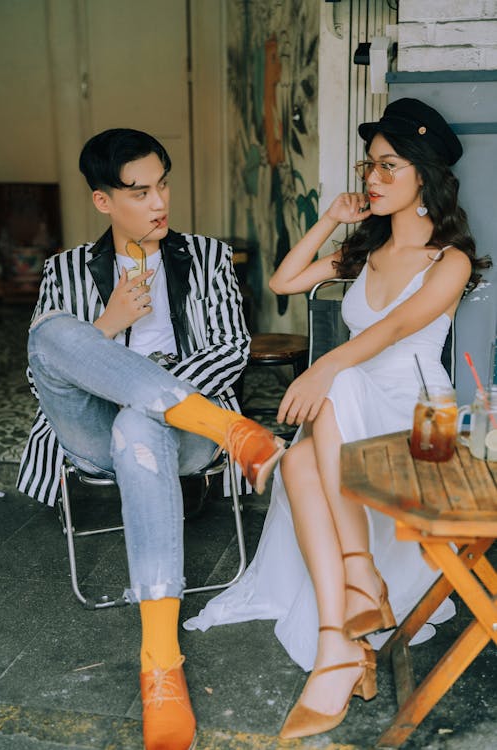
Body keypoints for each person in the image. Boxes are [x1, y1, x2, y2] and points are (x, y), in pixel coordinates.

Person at [184, 98, 491, 740]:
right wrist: (329, 219)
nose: (372, 179)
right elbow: (284, 280)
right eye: (368, 166)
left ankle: (356, 586)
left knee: (340, 381)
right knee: (300, 453)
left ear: (425, 177)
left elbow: (394, 332)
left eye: (388, 166)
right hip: (346, 416)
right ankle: (339, 634)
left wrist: (322, 369)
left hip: (418, 424)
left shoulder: (450, 260)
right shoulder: (365, 254)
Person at [16, 128, 285, 750]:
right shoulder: (67, 269)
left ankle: (160, 665)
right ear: (104, 201)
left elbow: (228, 351)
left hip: (179, 440)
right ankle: (234, 431)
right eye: (139, 192)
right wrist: (108, 325)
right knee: (52, 331)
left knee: (143, 419)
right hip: (90, 430)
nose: (159, 202)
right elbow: (45, 371)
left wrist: (151, 395)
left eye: (163, 184)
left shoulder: (209, 258)